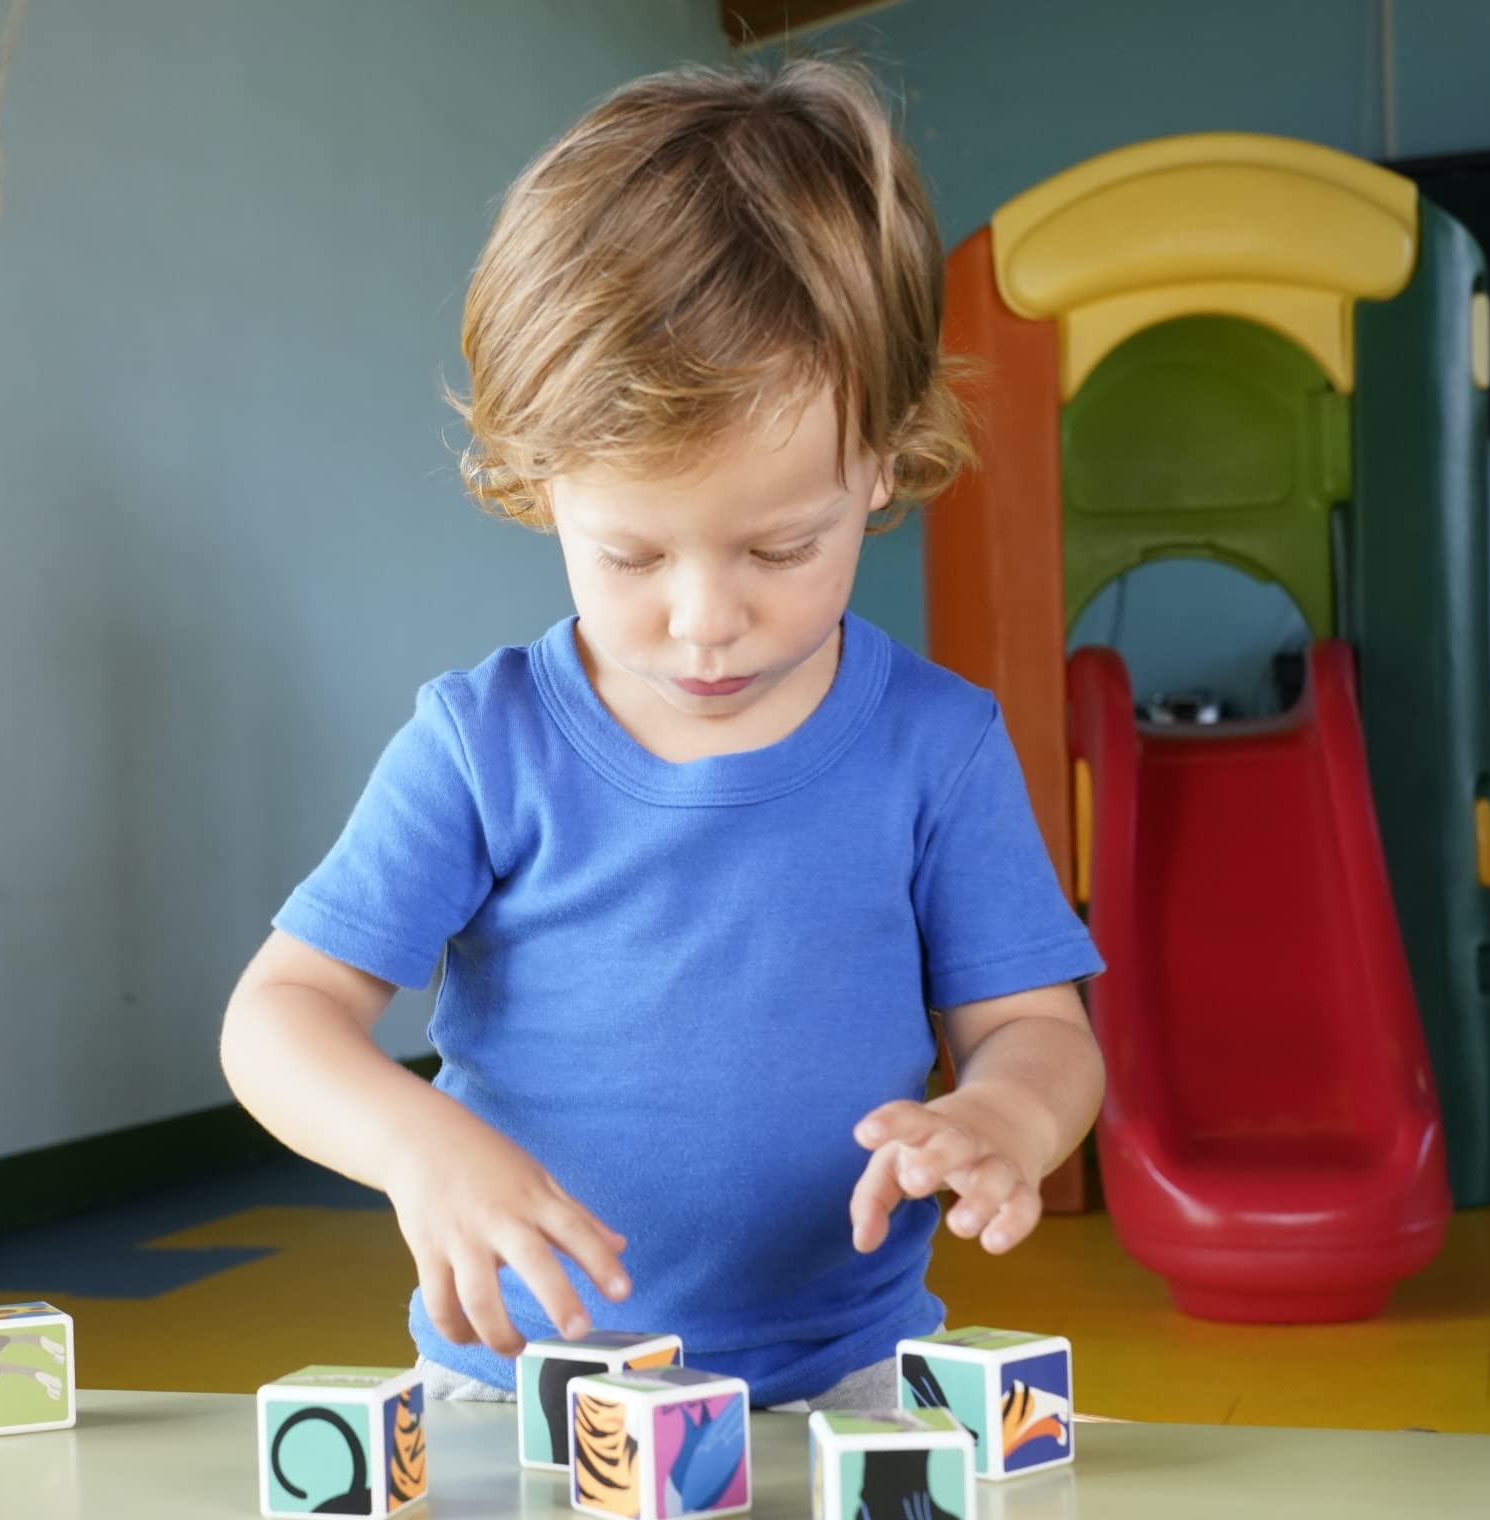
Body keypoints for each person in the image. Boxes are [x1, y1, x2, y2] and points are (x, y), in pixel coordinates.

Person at [220, 57, 1105, 1411]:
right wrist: (418, 1147)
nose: (704, 621)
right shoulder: (480, 745)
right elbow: (279, 1018)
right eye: (627, 554)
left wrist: (1003, 1119)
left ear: (880, 460)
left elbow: (1036, 1029)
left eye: (780, 545)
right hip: (509, 1386)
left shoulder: (937, 747)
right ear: (538, 484)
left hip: (846, 1379)